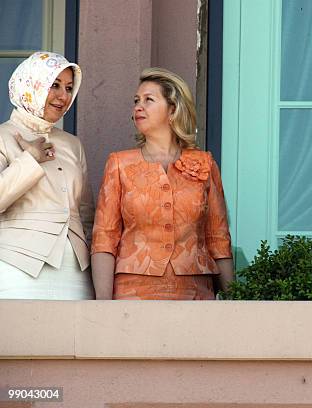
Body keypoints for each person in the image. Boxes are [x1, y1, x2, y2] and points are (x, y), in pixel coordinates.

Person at [91, 68, 234, 300]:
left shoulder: (204, 163)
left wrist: (234, 299)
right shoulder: (119, 164)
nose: (138, 106)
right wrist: (104, 304)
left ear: (173, 109)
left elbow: (218, 238)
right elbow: (104, 239)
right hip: (132, 292)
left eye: (149, 100)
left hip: (194, 292)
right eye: (136, 101)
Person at [0, 51, 94, 299]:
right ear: (31, 84)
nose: (63, 96)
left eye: (69, 87)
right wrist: (29, 160)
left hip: (75, 271)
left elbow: (86, 215)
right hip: (16, 265)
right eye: (55, 85)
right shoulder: (3, 136)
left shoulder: (73, 145)